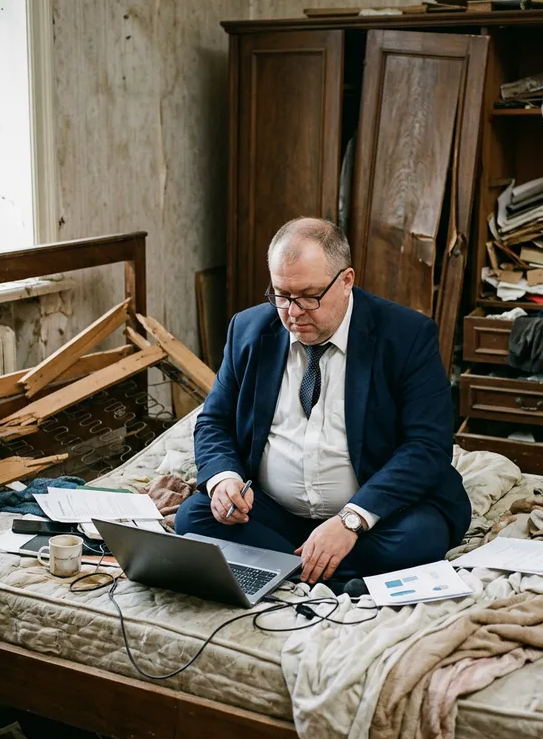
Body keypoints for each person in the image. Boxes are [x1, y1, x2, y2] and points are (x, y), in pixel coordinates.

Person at [175, 217, 470, 589]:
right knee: (193, 518)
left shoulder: (407, 336)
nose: (293, 313)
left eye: (309, 296)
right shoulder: (249, 330)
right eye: (281, 295)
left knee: (419, 538)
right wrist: (224, 481)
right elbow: (213, 420)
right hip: (277, 512)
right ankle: (320, 572)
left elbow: (427, 447)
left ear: (346, 281)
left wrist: (352, 520)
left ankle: (280, 567)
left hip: (376, 517)